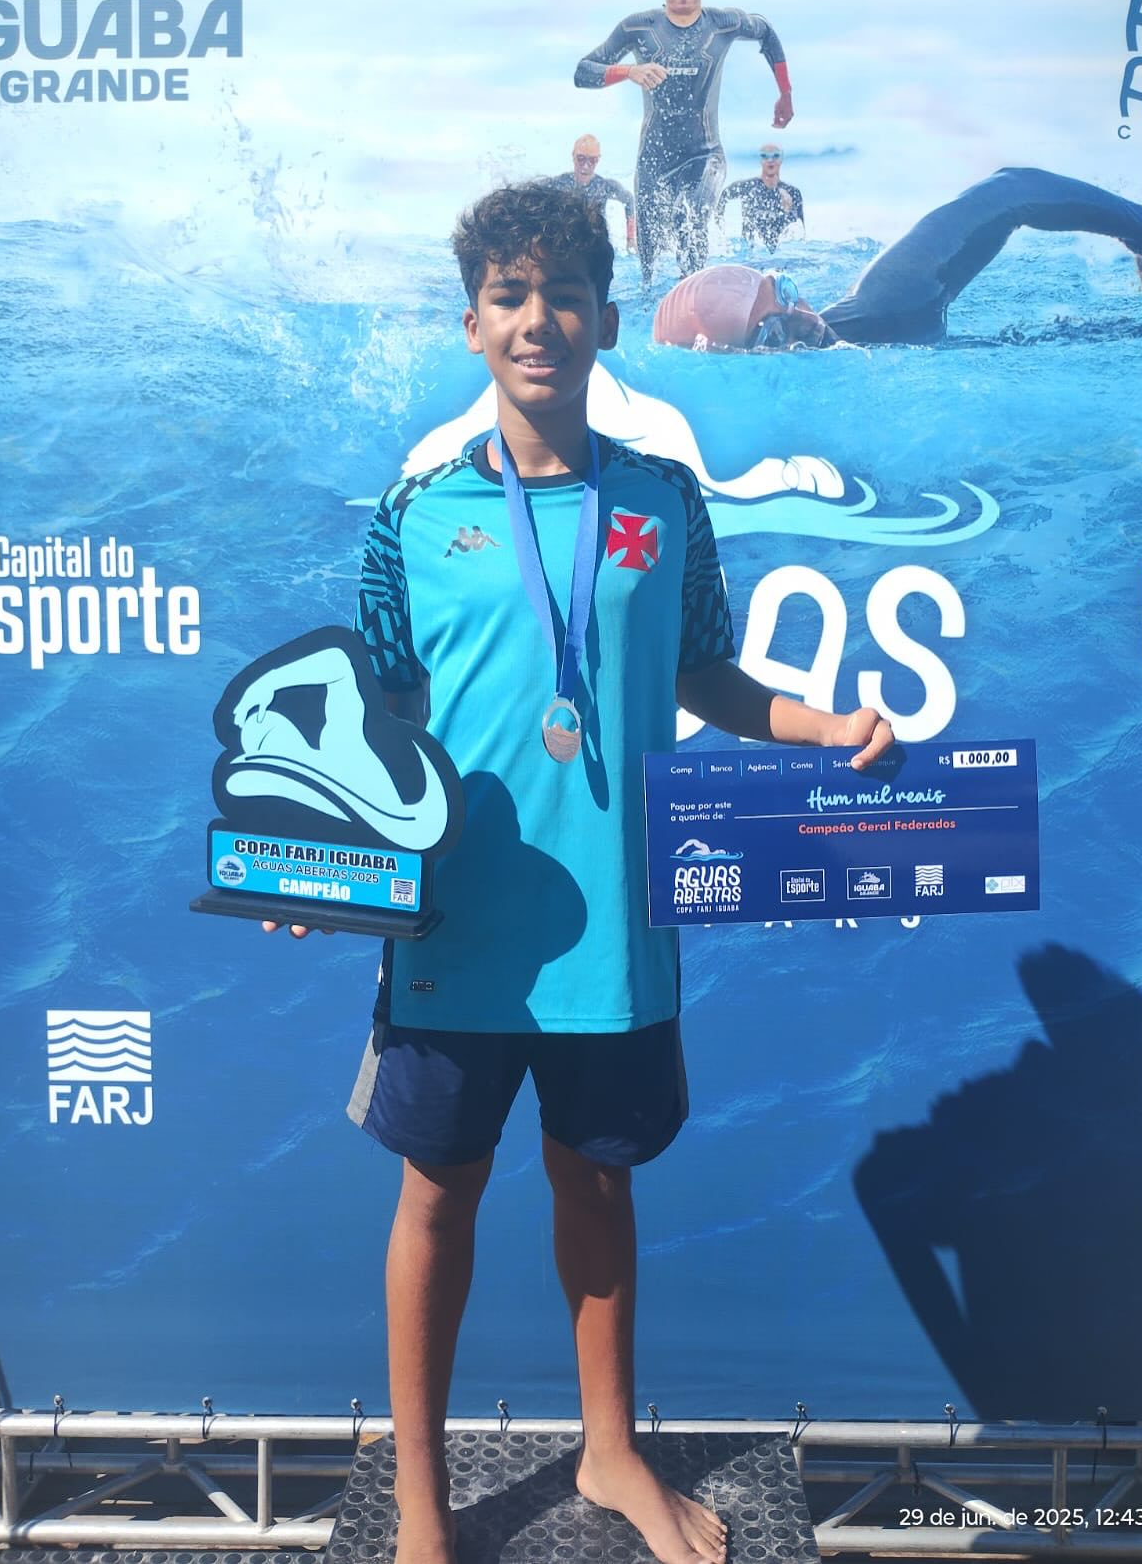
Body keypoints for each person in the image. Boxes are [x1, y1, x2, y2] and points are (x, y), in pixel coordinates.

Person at [270, 181, 893, 1564]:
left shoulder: (662, 499)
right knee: (437, 1193)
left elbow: (705, 672)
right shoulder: (415, 513)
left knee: (598, 1186)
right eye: (508, 295)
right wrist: (323, 859)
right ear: (472, 323)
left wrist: (823, 724)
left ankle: (611, 1452)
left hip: (615, 930)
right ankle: (421, 1497)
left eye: (563, 294)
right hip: (456, 930)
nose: (536, 319)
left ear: (607, 319)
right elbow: (378, 720)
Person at [653, 167, 1142, 350]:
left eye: (786, 292)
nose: (804, 319)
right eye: (771, 333)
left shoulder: (891, 303)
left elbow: (1011, 189)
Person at [575, 0, 792, 284]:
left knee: (690, 216)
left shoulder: (722, 23)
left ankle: (693, 291)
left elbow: (766, 32)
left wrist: (785, 94)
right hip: (654, 160)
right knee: (647, 263)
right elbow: (583, 72)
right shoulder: (638, 27)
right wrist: (629, 71)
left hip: (705, 155)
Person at [549, 132, 637, 254]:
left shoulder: (604, 186)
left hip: (595, 246)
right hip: (567, 245)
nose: (586, 166)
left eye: (592, 160)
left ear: (598, 160)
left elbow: (629, 200)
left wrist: (630, 239)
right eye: (581, 159)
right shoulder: (559, 184)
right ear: (573, 156)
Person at [716, 143, 804, 249]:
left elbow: (800, 233)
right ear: (760, 160)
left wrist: (788, 210)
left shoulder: (792, 193)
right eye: (765, 156)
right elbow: (723, 196)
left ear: (781, 159)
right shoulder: (747, 187)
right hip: (751, 251)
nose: (770, 160)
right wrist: (720, 231)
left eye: (775, 155)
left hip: (780, 251)